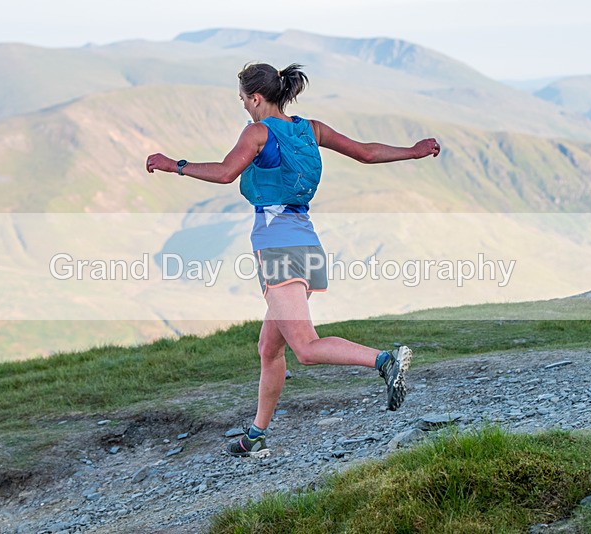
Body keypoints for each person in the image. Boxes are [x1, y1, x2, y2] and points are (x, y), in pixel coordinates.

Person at [145, 62, 441, 458]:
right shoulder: (311, 129)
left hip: (279, 249)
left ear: (256, 98)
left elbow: (224, 173)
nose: (245, 108)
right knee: (270, 348)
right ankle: (255, 435)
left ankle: (385, 361)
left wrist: (174, 165)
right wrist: (413, 152)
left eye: (243, 101)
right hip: (307, 245)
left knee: (304, 347)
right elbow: (367, 154)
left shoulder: (258, 132)